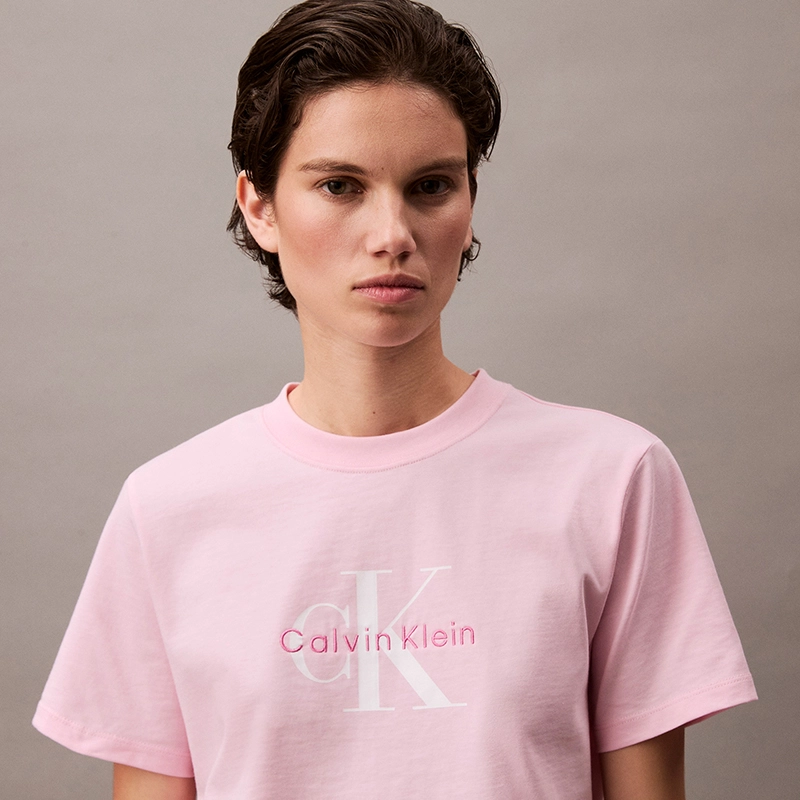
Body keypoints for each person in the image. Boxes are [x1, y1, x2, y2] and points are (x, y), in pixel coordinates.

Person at [33, 1, 757, 798]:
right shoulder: (167, 510)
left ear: (469, 202)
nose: (392, 234)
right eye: (340, 185)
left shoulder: (612, 480)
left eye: (430, 186)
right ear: (259, 206)